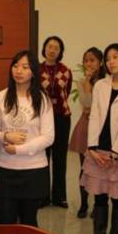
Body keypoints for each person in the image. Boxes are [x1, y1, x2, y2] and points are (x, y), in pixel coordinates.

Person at [82, 43, 118, 234]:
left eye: (116, 57)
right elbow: (94, 116)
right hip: (98, 149)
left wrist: (114, 153)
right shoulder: (101, 85)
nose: (111, 62)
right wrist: (92, 149)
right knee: (100, 197)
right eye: (108, 58)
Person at [0, 50, 54, 226]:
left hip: (34, 170)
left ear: (34, 71)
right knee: (5, 221)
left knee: (29, 223)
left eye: (25, 67)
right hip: (5, 169)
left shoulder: (42, 99)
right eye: (16, 65)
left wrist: (19, 149)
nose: (18, 71)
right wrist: (5, 136)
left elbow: (49, 137)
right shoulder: (0, 97)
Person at [68, 47, 105, 218]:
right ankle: (83, 204)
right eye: (86, 60)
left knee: (99, 168)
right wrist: (89, 84)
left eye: (92, 60)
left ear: (100, 62)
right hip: (85, 125)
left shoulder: (107, 81)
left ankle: (99, 205)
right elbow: (87, 103)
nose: (89, 64)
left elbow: (101, 107)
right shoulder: (82, 82)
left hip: (101, 127)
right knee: (84, 167)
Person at [39, 35, 72, 208]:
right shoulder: (37, 69)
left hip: (61, 117)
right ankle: (43, 197)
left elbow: (67, 91)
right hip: (42, 118)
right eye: (49, 46)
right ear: (44, 49)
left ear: (60, 52)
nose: (52, 50)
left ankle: (59, 197)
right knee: (43, 157)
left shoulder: (66, 70)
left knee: (60, 158)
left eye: (56, 48)